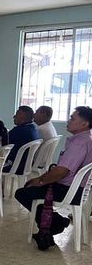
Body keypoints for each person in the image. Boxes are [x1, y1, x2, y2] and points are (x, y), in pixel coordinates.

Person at [15, 106, 92, 250]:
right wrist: (41, 178)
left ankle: (54, 223)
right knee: (31, 188)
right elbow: (60, 169)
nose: (68, 121)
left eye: (72, 118)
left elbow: (61, 171)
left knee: (23, 192)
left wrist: (40, 181)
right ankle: (54, 223)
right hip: (75, 188)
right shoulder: (87, 138)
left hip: (67, 190)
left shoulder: (80, 144)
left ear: (84, 124)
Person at [6, 105, 39, 173]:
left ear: (22, 118)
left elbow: (3, 144)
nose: (14, 117)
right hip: (26, 165)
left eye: (16, 115)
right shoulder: (33, 128)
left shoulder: (18, 131)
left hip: (15, 166)